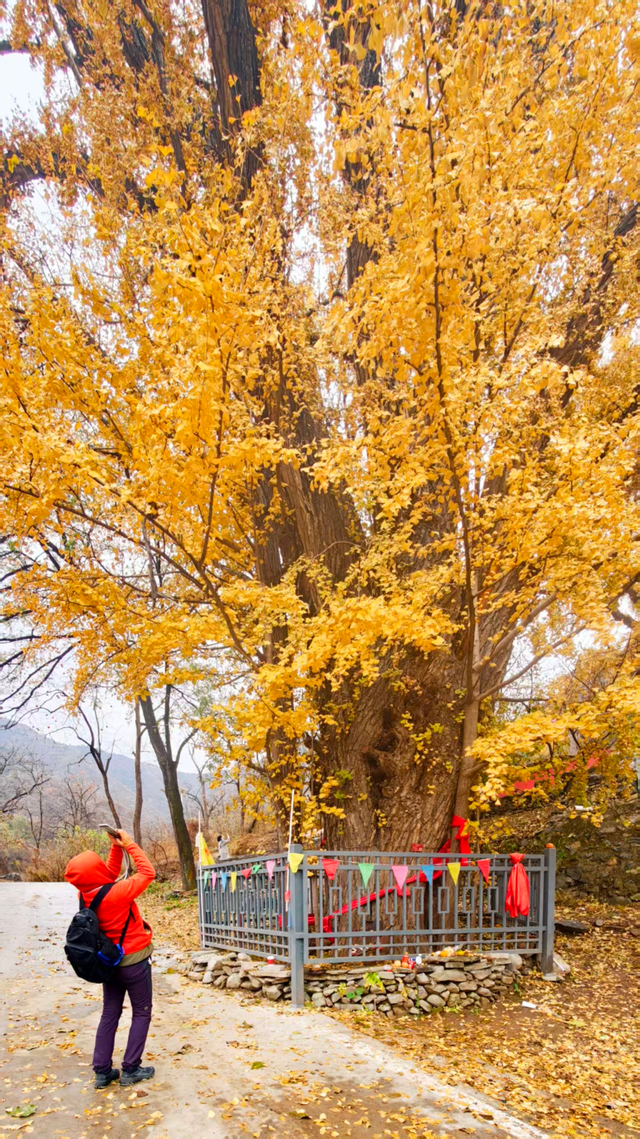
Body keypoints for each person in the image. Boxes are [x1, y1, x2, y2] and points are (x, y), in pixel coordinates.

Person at [64, 829, 156, 1090]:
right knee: (141, 1012)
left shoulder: (85, 894)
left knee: (109, 1013)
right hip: (134, 963)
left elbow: (108, 875)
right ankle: (131, 1068)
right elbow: (148, 873)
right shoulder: (119, 893)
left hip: (108, 963)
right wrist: (130, 845)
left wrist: (116, 847)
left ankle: (102, 1071)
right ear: (95, 872)